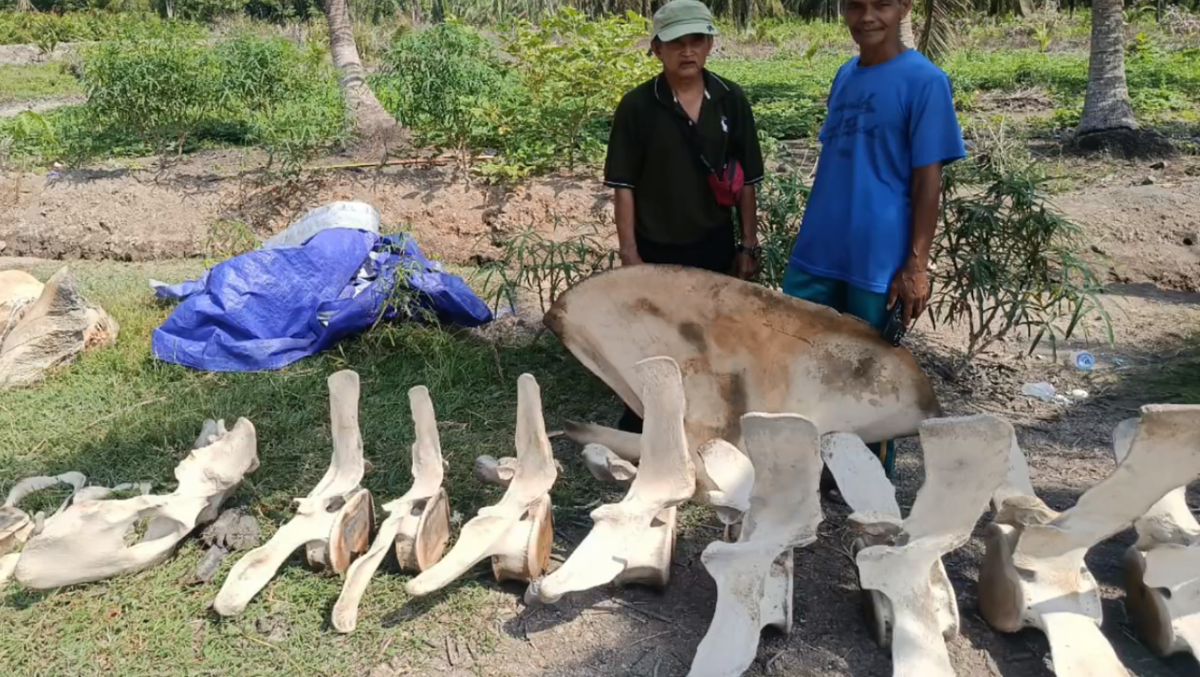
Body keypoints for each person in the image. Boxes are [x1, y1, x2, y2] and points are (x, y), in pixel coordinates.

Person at [783, 0, 965, 478]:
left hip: (877, 259)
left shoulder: (925, 82)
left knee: (870, 373)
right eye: (855, 5)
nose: (867, 16)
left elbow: (928, 183)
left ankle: (868, 483)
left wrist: (916, 265)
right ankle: (814, 468)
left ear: (903, 5)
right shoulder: (845, 75)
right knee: (805, 364)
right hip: (818, 250)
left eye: (881, 4)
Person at [604, 0, 765, 434]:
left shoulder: (731, 99)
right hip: (655, 244)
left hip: (713, 241)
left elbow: (748, 179)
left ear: (710, 43)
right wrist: (630, 254)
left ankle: (705, 420)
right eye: (676, 42)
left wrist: (747, 244)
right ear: (657, 49)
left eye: (696, 40)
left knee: (709, 334)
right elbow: (624, 185)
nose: (687, 51)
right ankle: (642, 420)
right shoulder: (637, 106)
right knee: (652, 336)